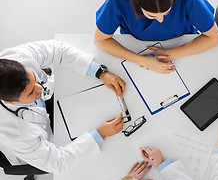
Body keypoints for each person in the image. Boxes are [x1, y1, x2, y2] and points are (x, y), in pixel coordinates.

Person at [0, 40, 127, 173]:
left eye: (35, 80)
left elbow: (57, 50)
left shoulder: (16, 57)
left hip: (42, 106)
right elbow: (58, 162)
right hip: (28, 146)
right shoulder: (15, 132)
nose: (40, 88)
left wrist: (99, 72)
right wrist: (100, 134)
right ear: (11, 102)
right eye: (31, 92)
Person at [95, 0, 218, 74]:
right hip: (135, 49)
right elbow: (101, 40)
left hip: (185, 47)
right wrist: (143, 61)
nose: (161, 20)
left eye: (166, 13)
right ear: (135, 3)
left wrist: (169, 54)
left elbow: (213, 38)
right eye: (151, 15)